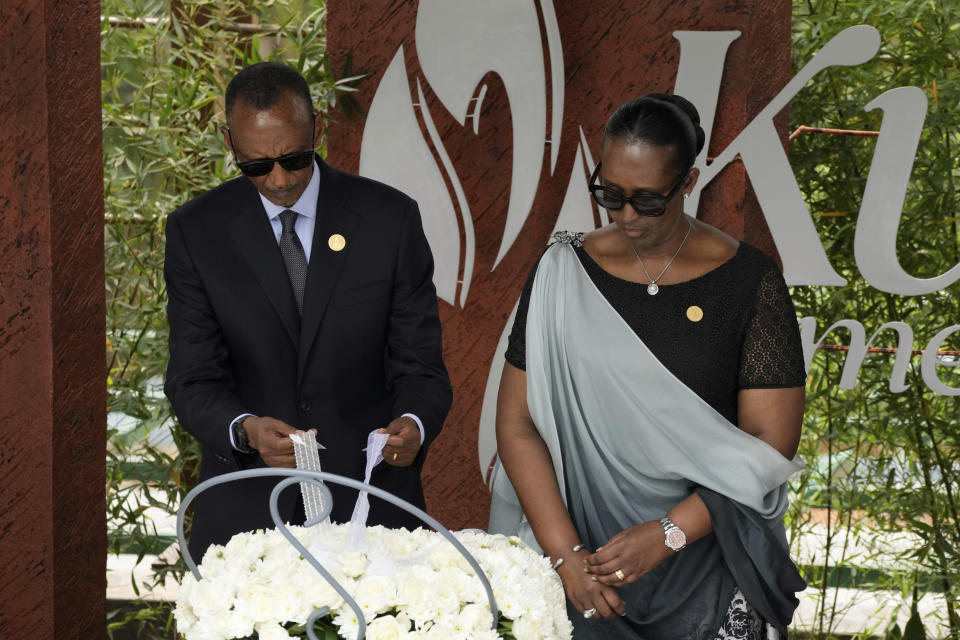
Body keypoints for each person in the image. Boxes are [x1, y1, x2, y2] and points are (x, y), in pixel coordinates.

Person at [489, 94, 808, 639]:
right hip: (583, 565)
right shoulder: (561, 272)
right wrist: (567, 558)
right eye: (609, 194)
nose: (625, 215)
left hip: (708, 560)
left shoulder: (749, 281)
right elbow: (519, 424)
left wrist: (670, 533)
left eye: (648, 200)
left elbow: (769, 442)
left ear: (687, 182)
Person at [164, 62, 452, 560]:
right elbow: (192, 378)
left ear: (317, 128)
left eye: (294, 158)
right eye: (256, 165)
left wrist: (414, 422)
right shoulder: (196, 233)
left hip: (373, 511)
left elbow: (421, 365)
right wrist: (244, 428)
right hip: (246, 518)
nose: (278, 179)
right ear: (230, 145)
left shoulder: (390, 219)